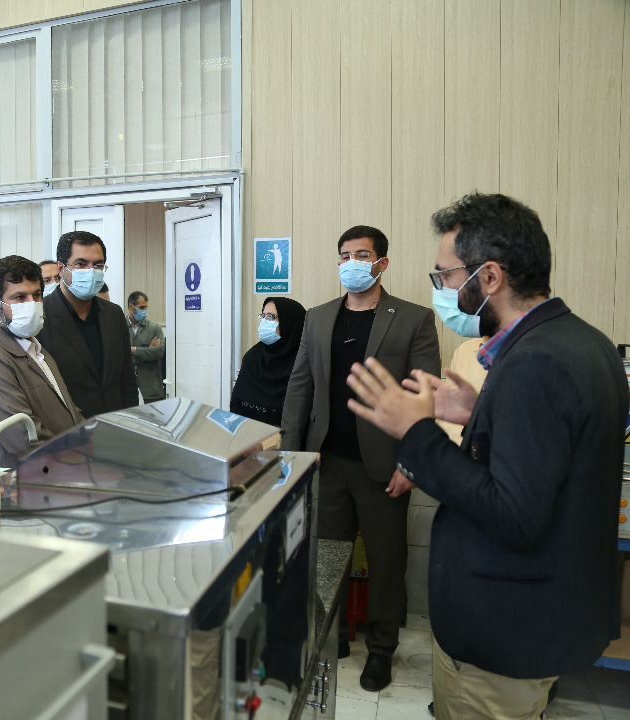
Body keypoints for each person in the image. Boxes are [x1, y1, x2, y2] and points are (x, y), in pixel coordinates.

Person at [346, 193, 627, 720]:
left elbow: (513, 515)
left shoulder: (535, 362)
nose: (443, 290)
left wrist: (416, 432)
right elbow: (549, 458)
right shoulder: (583, 342)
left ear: (490, 276)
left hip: (504, 632)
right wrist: (479, 412)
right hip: (541, 617)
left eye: (446, 276)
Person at [280, 225, 440, 692]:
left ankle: (382, 649)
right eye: (344, 255)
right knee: (326, 560)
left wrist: (412, 463)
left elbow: (425, 396)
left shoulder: (412, 319)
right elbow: (299, 388)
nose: (351, 263)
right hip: (327, 461)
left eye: (362, 255)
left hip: (385, 467)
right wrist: (292, 454)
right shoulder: (318, 318)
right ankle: (331, 640)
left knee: (387, 564)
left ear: (382, 263)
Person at [0, 255, 84, 469]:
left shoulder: (37, 349)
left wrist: (90, 441)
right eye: (19, 297)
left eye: (36, 295)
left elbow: (70, 411)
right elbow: (23, 438)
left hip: (60, 472)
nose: (32, 304)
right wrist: (79, 458)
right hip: (25, 481)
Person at [37, 231, 138, 417]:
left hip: (114, 422)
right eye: (81, 264)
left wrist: (130, 420)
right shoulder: (40, 318)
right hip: (69, 427)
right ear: (61, 269)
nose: (91, 271)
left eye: (98, 265)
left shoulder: (113, 314)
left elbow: (127, 378)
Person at [230, 296, 306, 427]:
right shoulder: (252, 357)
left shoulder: (305, 362)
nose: (265, 322)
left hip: (289, 437)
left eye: (271, 316)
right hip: (249, 433)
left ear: (290, 323)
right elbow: (236, 402)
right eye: (263, 316)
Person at [127, 290, 166, 403]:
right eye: (142, 307)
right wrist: (147, 351)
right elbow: (117, 352)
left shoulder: (154, 328)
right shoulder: (119, 326)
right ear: (131, 306)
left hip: (151, 385)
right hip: (127, 384)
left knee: (153, 413)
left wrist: (132, 350)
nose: (144, 311)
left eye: (146, 307)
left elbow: (159, 352)